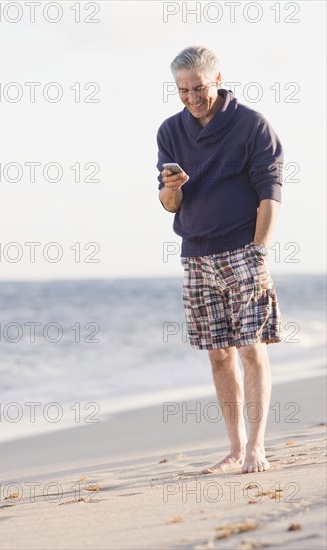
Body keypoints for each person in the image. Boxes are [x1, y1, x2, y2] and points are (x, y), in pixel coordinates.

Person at [156, 46, 283, 474]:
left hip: (243, 252)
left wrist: (259, 251)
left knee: (251, 347)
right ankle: (234, 448)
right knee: (217, 354)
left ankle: (257, 448)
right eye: (182, 89)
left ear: (218, 79)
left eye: (198, 88)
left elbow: (270, 194)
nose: (191, 97)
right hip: (195, 254)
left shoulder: (251, 125)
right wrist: (172, 186)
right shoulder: (170, 131)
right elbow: (169, 204)